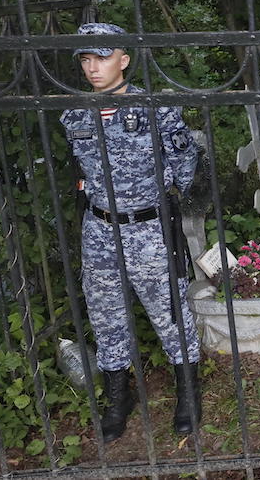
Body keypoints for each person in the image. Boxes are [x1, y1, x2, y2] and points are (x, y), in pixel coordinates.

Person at [60, 22, 201, 442]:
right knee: (106, 317)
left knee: (170, 315)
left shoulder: (156, 109)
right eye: (85, 59)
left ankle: (188, 395)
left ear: (124, 60)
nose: (93, 67)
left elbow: (186, 172)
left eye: (101, 57)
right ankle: (118, 398)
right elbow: (81, 172)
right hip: (99, 229)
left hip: (149, 228)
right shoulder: (73, 114)